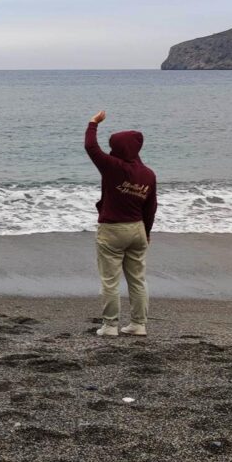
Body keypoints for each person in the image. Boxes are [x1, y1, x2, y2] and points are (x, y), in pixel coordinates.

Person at [85, 110, 157, 337]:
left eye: (114, 146)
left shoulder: (112, 166)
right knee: (137, 280)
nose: (111, 150)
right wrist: (147, 231)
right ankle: (138, 324)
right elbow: (151, 206)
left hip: (112, 230)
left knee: (110, 280)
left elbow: (91, 147)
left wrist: (93, 123)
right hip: (137, 229)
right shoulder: (147, 174)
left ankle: (110, 326)